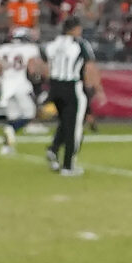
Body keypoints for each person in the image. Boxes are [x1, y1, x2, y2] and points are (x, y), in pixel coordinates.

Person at [43, 17, 94, 176]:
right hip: (72, 86)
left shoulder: (53, 43)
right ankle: (68, 165)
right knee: (74, 126)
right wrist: (93, 88)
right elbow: (89, 67)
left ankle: (54, 148)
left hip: (55, 86)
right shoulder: (80, 44)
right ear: (75, 29)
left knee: (65, 122)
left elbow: (46, 65)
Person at [0, 26, 40, 157]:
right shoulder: (30, 49)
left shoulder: (3, 49)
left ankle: (6, 147)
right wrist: (37, 75)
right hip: (21, 85)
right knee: (29, 114)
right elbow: (32, 69)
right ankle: (10, 129)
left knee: (13, 117)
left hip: (6, 85)